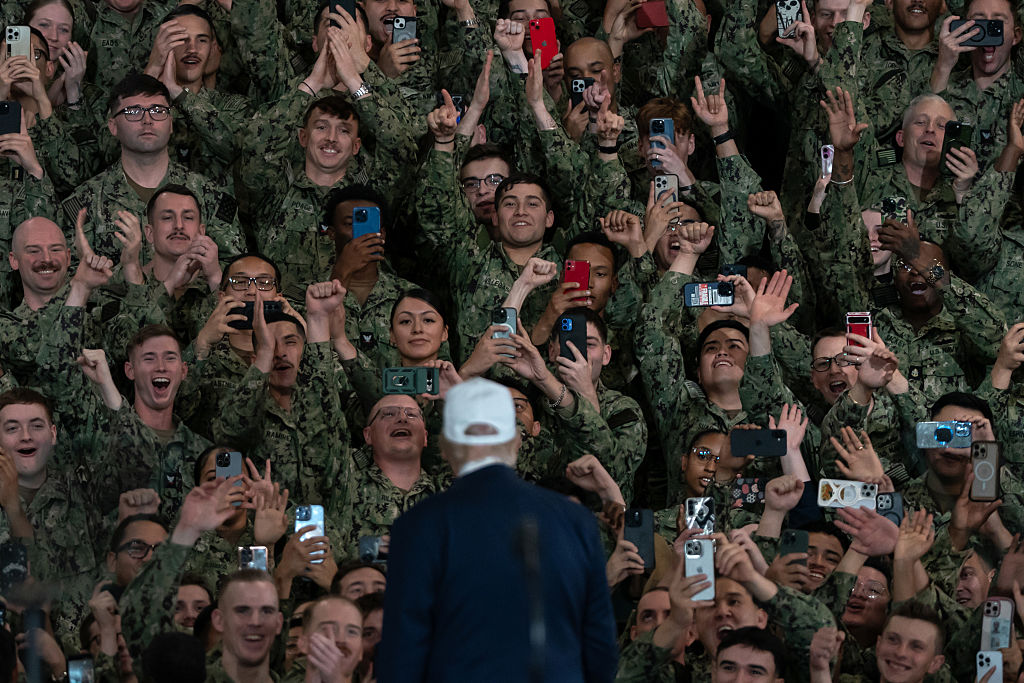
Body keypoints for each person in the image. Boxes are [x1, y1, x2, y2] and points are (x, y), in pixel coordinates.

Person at [377, 377, 618, 681]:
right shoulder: (577, 520)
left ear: (445, 445)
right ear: (513, 442)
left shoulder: (417, 527)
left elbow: (401, 661)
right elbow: (602, 656)